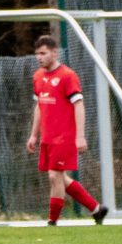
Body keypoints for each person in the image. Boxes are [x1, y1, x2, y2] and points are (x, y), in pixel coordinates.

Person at [28, 34, 108, 226]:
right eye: (37, 54)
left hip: (64, 137)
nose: (39, 57)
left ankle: (52, 222)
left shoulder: (67, 76)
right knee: (61, 177)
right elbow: (39, 106)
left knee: (54, 176)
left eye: (43, 53)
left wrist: (80, 137)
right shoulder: (38, 77)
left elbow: (79, 105)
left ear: (54, 53)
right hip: (47, 137)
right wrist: (33, 134)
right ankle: (97, 210)